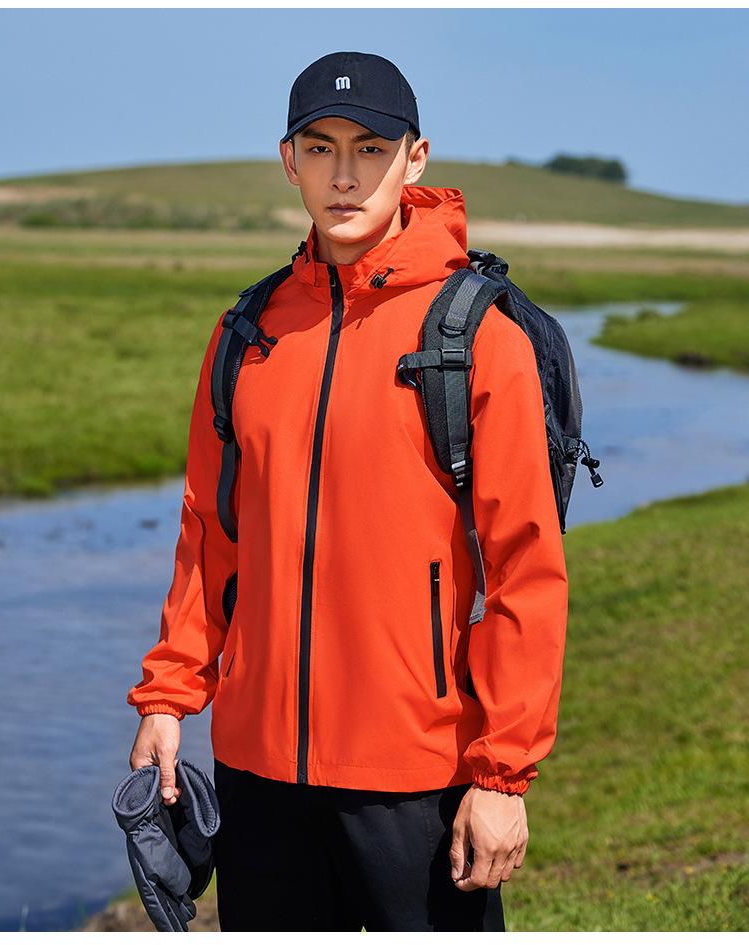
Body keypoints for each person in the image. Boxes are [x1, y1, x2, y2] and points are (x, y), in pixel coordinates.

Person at [127, 50, 569, 932]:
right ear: (288, 160)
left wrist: (502, 774)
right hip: (258, 777)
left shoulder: (476, 337)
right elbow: (210, 535)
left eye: (370, 148)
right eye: (320, 148)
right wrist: (171, 696)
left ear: (415, 158)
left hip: (417, 775)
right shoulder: (246, 332)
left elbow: (524, 568)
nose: (344, 175)